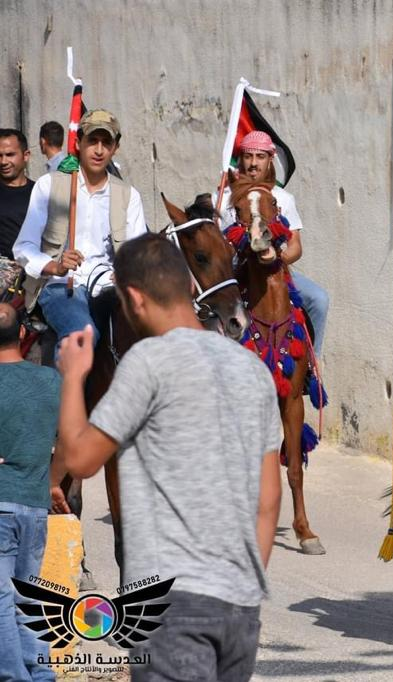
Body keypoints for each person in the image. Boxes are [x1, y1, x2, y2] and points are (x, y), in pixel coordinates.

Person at [55, 233, 282, 681]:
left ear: (134, 298)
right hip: (239, 607)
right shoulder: (252, 369)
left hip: (169, 604)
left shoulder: (147, 362)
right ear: (187, 286)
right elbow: (269, 499)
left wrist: (73, 377)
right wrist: (245, 587)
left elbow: (80, 460)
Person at [13, 109, 147, 346]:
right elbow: (23, 247)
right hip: (60, 285)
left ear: (115, 148)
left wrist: (127, 271)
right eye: (92, 141)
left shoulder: (129, 195)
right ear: (78, 143)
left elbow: (139, 254)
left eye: (106, 143)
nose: (99, 150)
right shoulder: (49, 185)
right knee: (82, 334)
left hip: (108, 286)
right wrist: (55, 266)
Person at [216, 130, 330, 359]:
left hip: (275, 270)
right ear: (240, 160)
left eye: (260, 156)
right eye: (248, 156)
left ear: (270, 160)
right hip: (234, 273)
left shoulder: (283, 198)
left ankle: (312, 364)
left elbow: (295, 246)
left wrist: (276, 260)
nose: (253, 163)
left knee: (319, 299)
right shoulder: (222, 197)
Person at [0, 303, 60, 682]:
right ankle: (40, 674)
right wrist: (53, 480)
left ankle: (14, 676)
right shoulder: (51, 380)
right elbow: (69, 438)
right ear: (23, 334)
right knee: (29, 598)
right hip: (36, 505)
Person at [0, 129, 33, 261]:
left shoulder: (40, 192)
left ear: (26, 155)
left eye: (10, 154)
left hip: (35, 270)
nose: (3, 161)